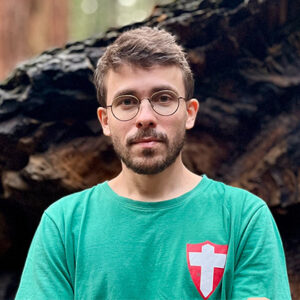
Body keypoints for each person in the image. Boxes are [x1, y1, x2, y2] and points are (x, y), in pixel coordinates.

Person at [15, 26, 291, 300]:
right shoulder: (63, 225)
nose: (145, 116)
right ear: (105, 121)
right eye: (127, 101)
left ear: (189, 112)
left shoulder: (243, 218)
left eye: (163, 98)